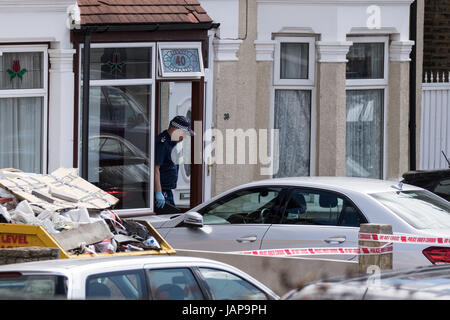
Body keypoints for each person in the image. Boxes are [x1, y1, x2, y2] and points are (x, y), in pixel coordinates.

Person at [154, 115, 195, 209]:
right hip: (162, 190)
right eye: (183, 133)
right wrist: (158, 192)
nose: (184, 137)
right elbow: (155, 169)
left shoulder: (173, 143)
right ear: (175, 129)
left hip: (168, 190)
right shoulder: (162, 143)